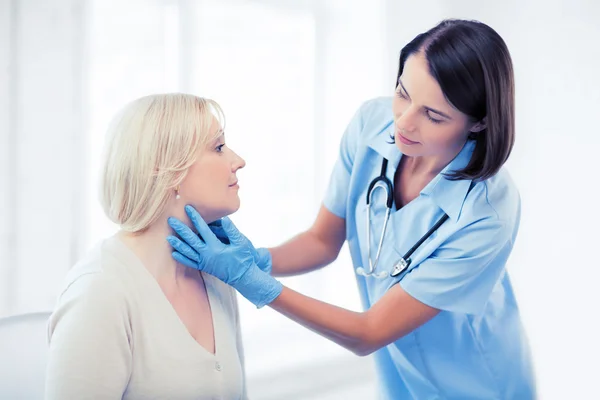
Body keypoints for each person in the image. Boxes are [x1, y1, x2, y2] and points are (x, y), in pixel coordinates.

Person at [167, 19, 536, 399]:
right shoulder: (371, 125)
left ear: (480, 123)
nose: (404, 122)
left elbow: (368, 333)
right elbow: (322, 241)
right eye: (403, 93)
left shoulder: (488, 212)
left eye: (434, 115)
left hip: (476, 381)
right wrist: (259, 259)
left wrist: (251, 281)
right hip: (399, 371)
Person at [45, 93, 255, 399]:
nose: (238, 161)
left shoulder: (216, 275)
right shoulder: (101, 293)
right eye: (219, 147)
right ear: (170, 172)